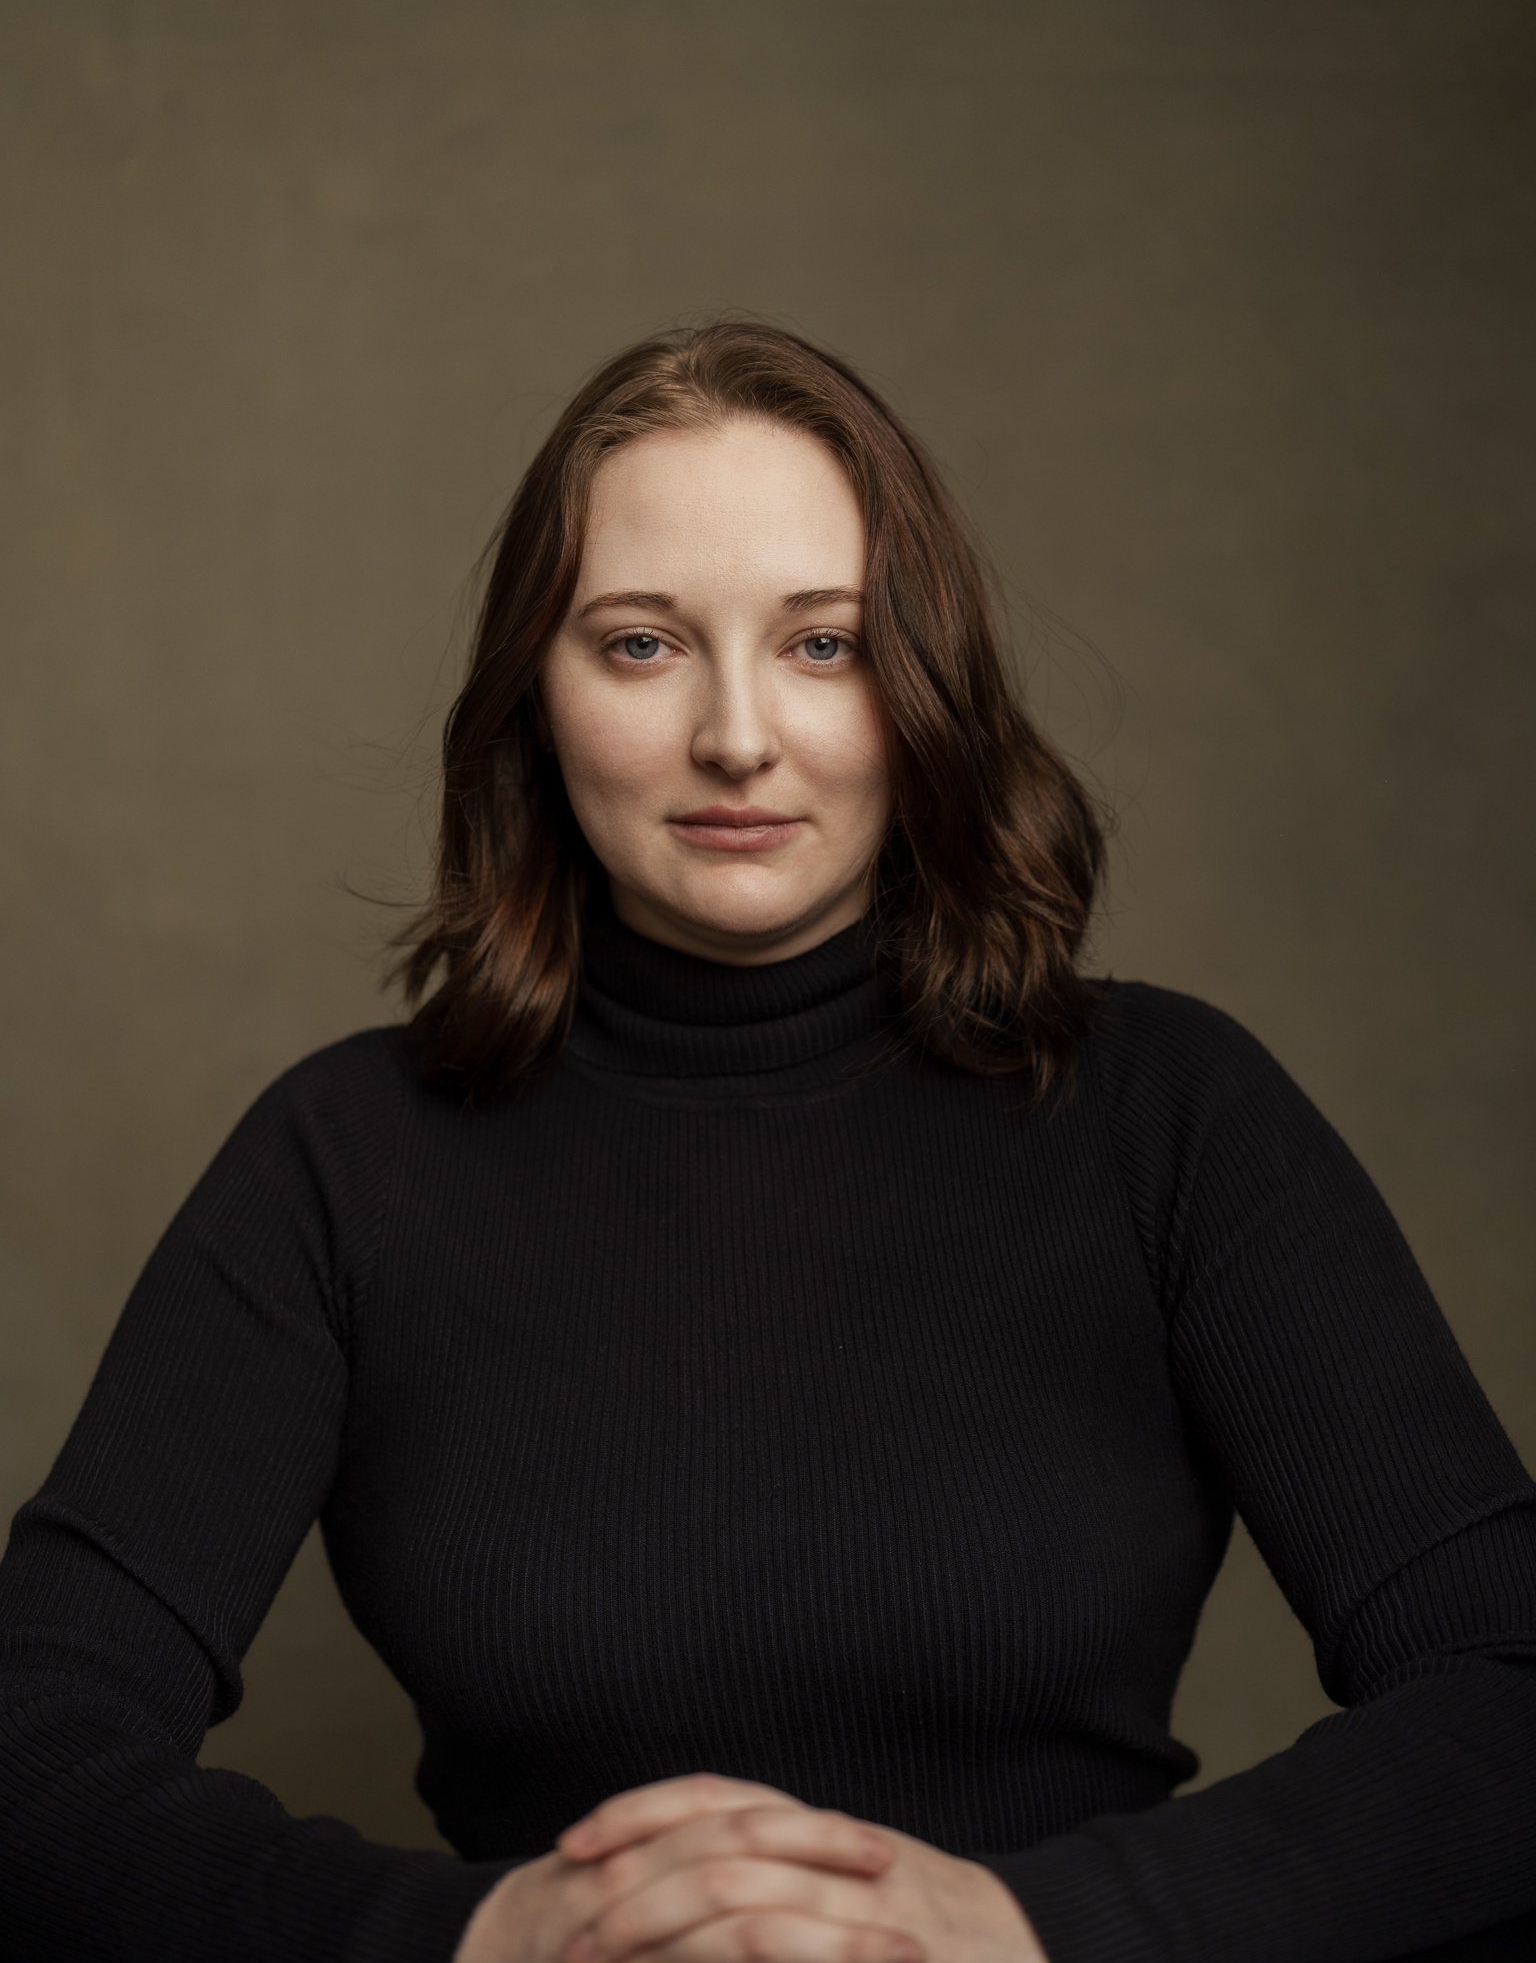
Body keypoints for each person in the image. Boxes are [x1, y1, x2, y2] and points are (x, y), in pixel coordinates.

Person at [1, 320, 1533, 1963]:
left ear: (926, 682)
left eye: (824, 645)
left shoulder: (1174, 1118)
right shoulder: (343, 1160)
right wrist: (475, 1947)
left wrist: (1026, 1929)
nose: (738, 736)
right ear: (537, 690)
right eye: (644, 644)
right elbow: (34, 1745)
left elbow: (1509, 1689)